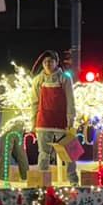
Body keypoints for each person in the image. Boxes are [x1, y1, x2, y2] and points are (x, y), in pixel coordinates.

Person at [30, 51, 76, 181]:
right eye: (45, 62)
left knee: (69, 153)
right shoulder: (38, 80)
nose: (47, 64)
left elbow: (70, 100)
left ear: (56, 62)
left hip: (61, 122)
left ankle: (73, 181)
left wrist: (70, 120)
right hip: (43, 122)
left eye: (50, 61)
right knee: (43, 154)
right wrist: (32, 124)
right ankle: (42, 183)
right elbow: (34, 103)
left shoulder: (64, 78)